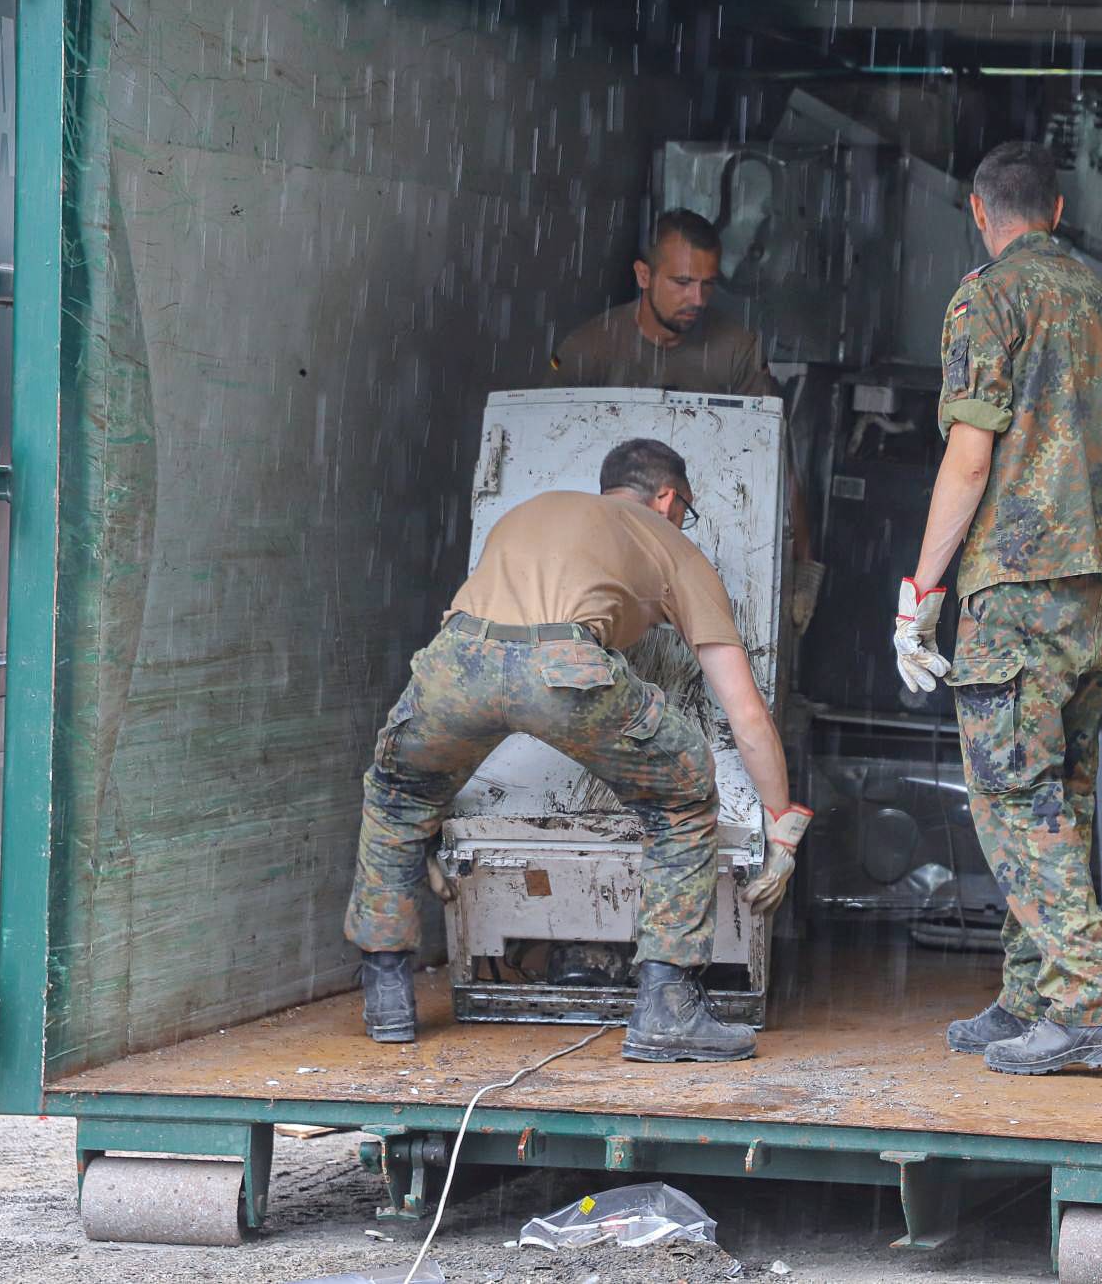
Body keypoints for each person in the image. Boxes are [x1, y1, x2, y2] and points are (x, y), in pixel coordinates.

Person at [343, 438, 813, 1063]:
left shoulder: (529, 512)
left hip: (455, 657)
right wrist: (780, 830)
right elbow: (745, 713)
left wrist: (427, 818)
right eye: (685, 509)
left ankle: (387, 993)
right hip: (562, 669)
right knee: (681, 793)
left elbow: (494, 668)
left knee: (398, 795)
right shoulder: (672, 543)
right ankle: (665, 1005)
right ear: (668, 499)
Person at [891, 141, 1102, 1075]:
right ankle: (1028, 993)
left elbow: (969, 455)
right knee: (1060, 796)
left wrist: (920, 591)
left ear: (976, 206)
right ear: (1061, 208)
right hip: (1096, 582)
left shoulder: (985, 298)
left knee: (1008, 796)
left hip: (1019, 585)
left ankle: (1089, 1006)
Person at [548, 209, 823, 631]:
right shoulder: (589, 348)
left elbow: (775, 459)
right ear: (644, 275)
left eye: (707, 285)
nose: (697, 299)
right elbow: (548, 456)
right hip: (602, 544)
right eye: (681, 283)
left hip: (710, 539)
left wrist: (803, 566)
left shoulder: (736, 349)